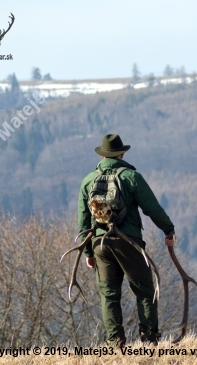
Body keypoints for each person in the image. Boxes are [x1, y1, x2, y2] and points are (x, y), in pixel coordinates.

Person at [77, 134, 175, 347]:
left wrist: (88, 253)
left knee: (109, 295)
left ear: (103, 156)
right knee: (144, 290)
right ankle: (149, 340)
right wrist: (168, 229)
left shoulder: (88, 180)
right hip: (128, 242)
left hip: (100, 244)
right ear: (122, 154)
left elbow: (83, 221)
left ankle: (115, 343)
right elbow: (152, 208)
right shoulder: (131, 177)